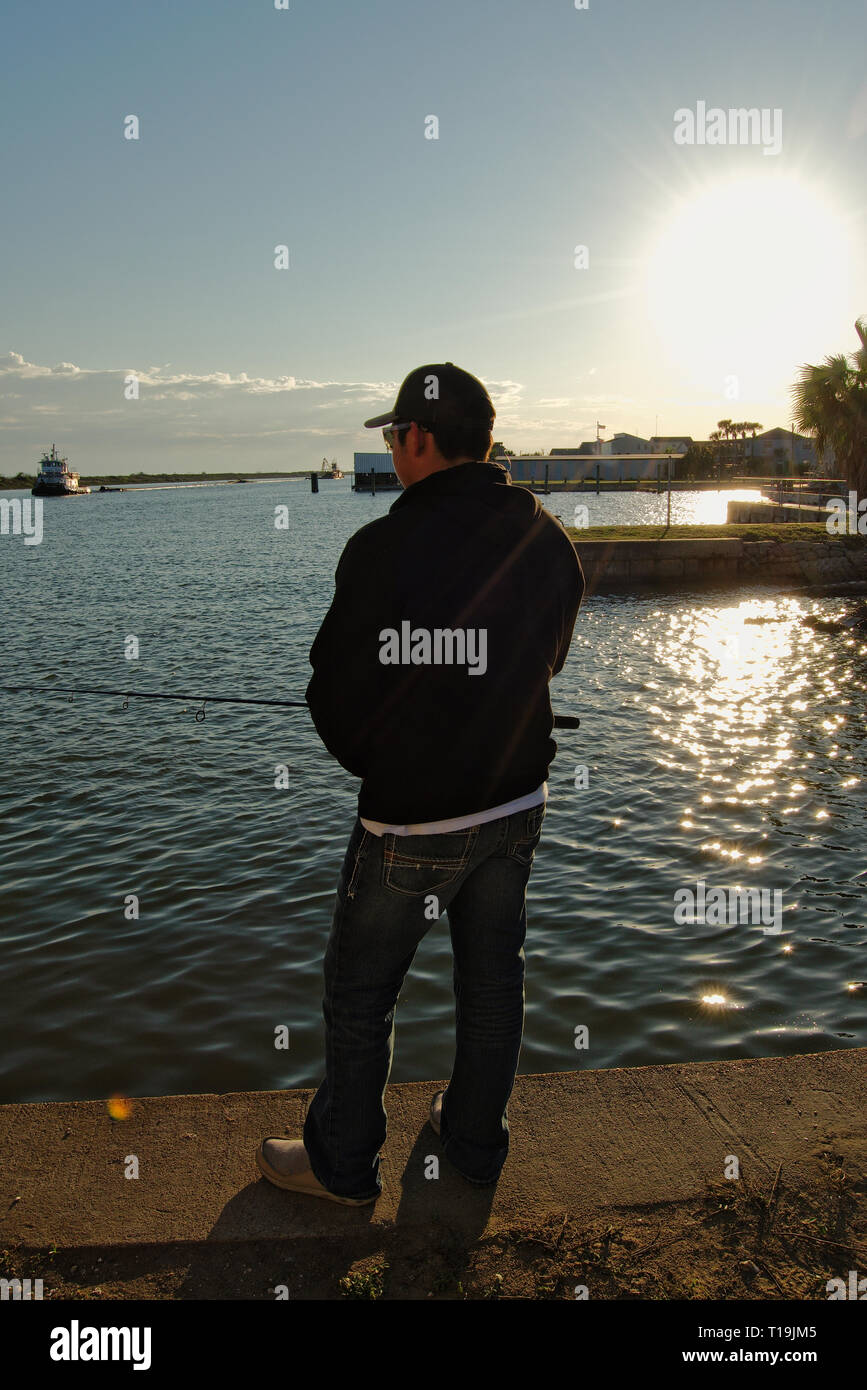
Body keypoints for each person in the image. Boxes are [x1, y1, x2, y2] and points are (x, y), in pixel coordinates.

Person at [256, 362, 584, 1204]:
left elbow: (333, 692)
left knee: (361, 993)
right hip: (516, 808)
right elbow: (544, 655)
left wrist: (387, 762)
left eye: (394, 434)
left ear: (418, 439)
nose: (392, 447)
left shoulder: (380, 548)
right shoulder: (543, 537)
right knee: (492, 981)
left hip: (408, 824)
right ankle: (474, 1144)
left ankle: (344, 1164)